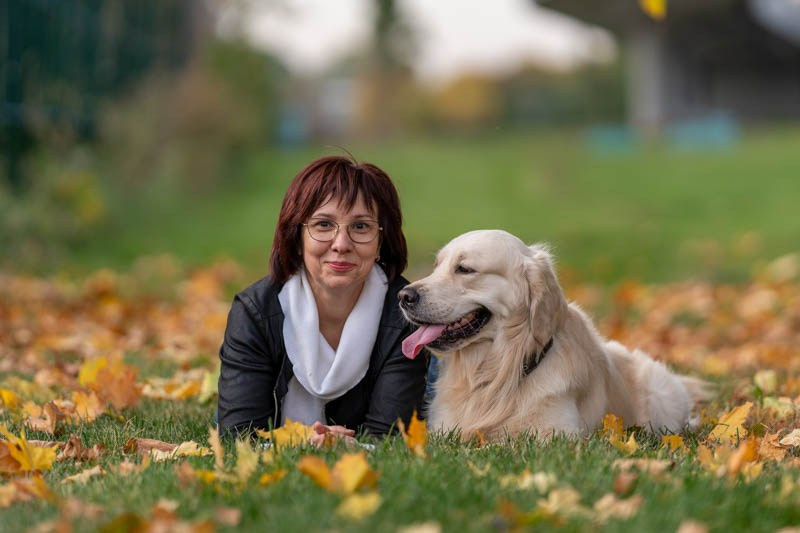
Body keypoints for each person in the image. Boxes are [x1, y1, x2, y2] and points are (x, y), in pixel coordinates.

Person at [217, 155, 428, 443]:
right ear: (297, 235)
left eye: (361, 227)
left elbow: (391, 438)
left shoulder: (405, 314)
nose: (341, 244)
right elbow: (239, 437)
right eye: (324, 225)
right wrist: (305, 443)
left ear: (382, 239)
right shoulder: (254, 312)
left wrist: (349, 446)